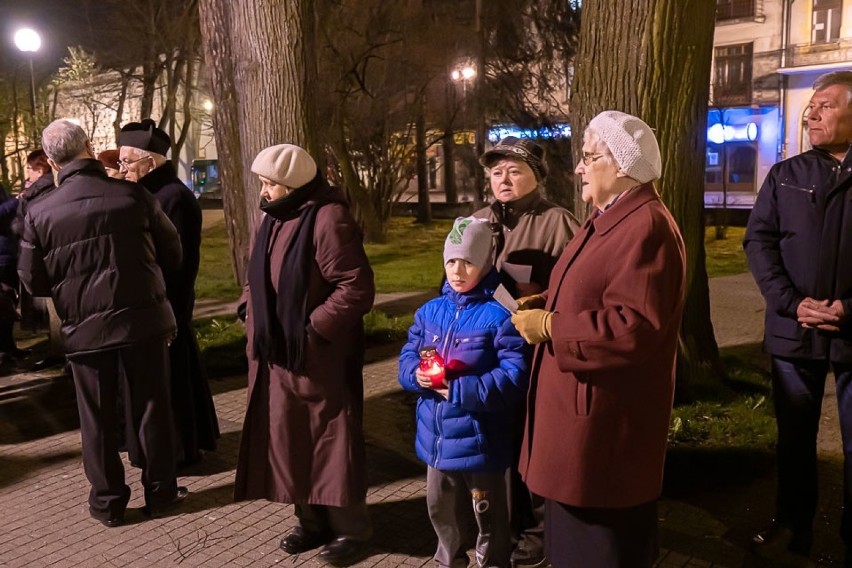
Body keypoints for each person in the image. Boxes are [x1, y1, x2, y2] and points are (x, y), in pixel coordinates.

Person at [511, 110, 686, 567]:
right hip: (582, 423)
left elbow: (633, 327)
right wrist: (544, 301)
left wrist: (551, 327)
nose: (579, 168)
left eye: (589, 157)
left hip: (602, 432)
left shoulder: (645, 227)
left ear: (622, 166)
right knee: (572, 546)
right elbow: (589, 287)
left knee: (599, 550)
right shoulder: (608, 218)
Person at [17, 119, 187, 527]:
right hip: (142, 321)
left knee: (96, 418)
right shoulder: (133, 195)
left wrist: (68, 288)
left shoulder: (39, 213)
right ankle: (161, 491)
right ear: (88, 148)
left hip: (84, 328)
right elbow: (172, 251)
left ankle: (108, 501)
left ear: (54, 162)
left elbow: (33, 278)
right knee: (151, 408)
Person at [234, 143, 375, 567]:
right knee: (290, 440)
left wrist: (312, 329)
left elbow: (356, 287)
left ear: (292, 184)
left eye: (270, 183)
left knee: (330, 443)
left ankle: (352, 529)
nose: (263, 191)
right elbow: (253, 273)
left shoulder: (328, 218)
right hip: (275, 356)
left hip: (316, 358)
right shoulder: (273, 215)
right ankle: (310, 521)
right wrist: (248, 309)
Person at [744, 70, 852, 562]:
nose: (811, 112)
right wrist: (790, 301)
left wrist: (849, 309)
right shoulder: (785, 174)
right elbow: (759, 242)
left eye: (826, 105)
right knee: (794, 441)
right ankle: (793, 523)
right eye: (811, 104)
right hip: (793, 329)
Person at [399, 216, 530, 568]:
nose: (457, 271)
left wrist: (457, 389)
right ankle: (449, 560)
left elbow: (514, 376)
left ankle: (494, 562)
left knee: (488, 517)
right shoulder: (429, 312)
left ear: (486, 263)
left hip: (480, 441)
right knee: (440, 510)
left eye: (468, 262)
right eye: (451, 261)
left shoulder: (500, 316)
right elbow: (408, 355)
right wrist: (416, 375)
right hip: (436, 440)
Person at [474, 136, 578, 568]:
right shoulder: (476, 220)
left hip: (537, 356)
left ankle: (538, 532)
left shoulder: (559, 222)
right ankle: (500, 527)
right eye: (496, 172)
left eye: (514, 170)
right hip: (487, 357)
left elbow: (576, 291)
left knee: (534, 445)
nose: (504, 179)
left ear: (537, 176)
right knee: (495, 446)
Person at [118, 118, 219, 467]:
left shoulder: (171, 196)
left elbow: (175, 260)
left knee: (173, 381)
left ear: (150, 161)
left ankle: (180, 449)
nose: (123, 169)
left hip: (169, 303)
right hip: (159, 304)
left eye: (127, 162)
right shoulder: (151, 192)